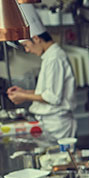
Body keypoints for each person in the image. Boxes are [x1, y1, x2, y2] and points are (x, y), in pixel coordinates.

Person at [7, 4, 76, 140]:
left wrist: (23, 96)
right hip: (50, 123)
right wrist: (25, 92)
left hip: (57, 126)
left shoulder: (55, 58)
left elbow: (52, 97)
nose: (27, 50)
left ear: (36, 39)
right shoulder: (50, 57)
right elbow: (49, 91)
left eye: (26, 45)